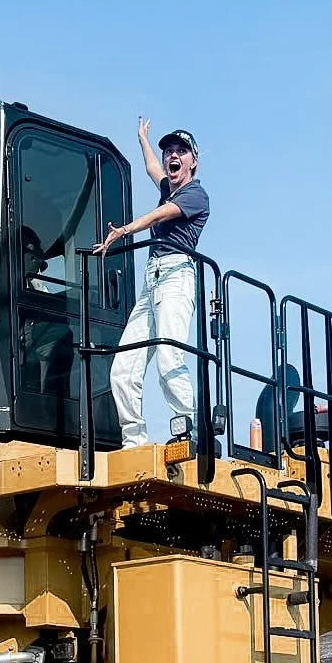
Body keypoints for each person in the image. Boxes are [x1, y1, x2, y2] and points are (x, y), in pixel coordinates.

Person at [94, 120, 209, 447]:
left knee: (169, 357)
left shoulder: (195, 195)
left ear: (193, 161)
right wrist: (143, 138)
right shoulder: (167, 188)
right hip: (152, 280)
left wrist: (123, 231)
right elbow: (151, 168)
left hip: (176, 276)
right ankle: (134, 442)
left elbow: (159, 216)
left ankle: (188, 434)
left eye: (181, 151)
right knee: (123, 367)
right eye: (169, 151)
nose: (173, 156)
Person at [19, 227, 74, 398]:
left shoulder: (38, 282)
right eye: (35, 257)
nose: (39, 265)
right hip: (23, 347)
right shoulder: (3, 286)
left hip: (41, 342)